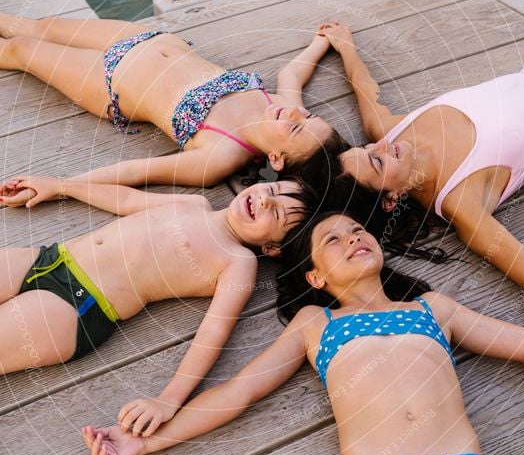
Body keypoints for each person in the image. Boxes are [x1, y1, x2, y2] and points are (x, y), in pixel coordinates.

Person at [81, 211, 524, 455]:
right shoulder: (316, 323)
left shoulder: (434, 308)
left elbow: (522, 343)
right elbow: (242, 389)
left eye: (356, 229)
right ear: (316, 276)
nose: (352, 237)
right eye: (332, 240)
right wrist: (148, 440)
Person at [0, 173, 314, 435]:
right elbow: (127, 201)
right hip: (50, 258)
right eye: (272, 189)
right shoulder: (194, 204)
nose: (264, 200)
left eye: (276, 213)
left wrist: (169, 399)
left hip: (78, 304)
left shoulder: (238, 262)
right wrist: (61, 187)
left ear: (271, 248)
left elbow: (213, 331)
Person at [293, 23, 524, 292]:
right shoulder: (460, 201)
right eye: (378, 161)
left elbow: (362, 84)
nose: (382, 145)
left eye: (368, 147)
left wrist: (345, 46)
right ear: (390, 199)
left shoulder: (389, 131)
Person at [0, 12, 342, 189]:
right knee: (40, 27)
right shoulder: (279, 104)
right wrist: (323, 41)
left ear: (276, 159)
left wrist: (60, 186)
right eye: (308, 114)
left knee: (20, 50)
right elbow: (292, 75)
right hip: (142, 39)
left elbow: (137, 171)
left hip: (108, 82)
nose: (296, 112)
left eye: (296, 128)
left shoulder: (220, 155)